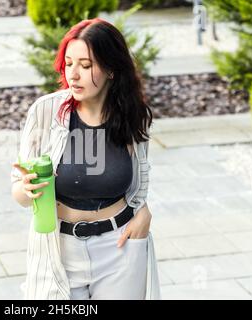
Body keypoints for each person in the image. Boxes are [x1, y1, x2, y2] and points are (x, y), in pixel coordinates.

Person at [11, 17, 161, 300]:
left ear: (111, 69)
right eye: (69, 63)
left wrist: (143, 211)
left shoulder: (133, 114)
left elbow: (140, 174)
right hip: (60, 249)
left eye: (86, 65)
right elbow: (19, 193)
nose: (73, 75)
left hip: (119, 247)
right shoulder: (46, 112)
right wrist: (26, 189)